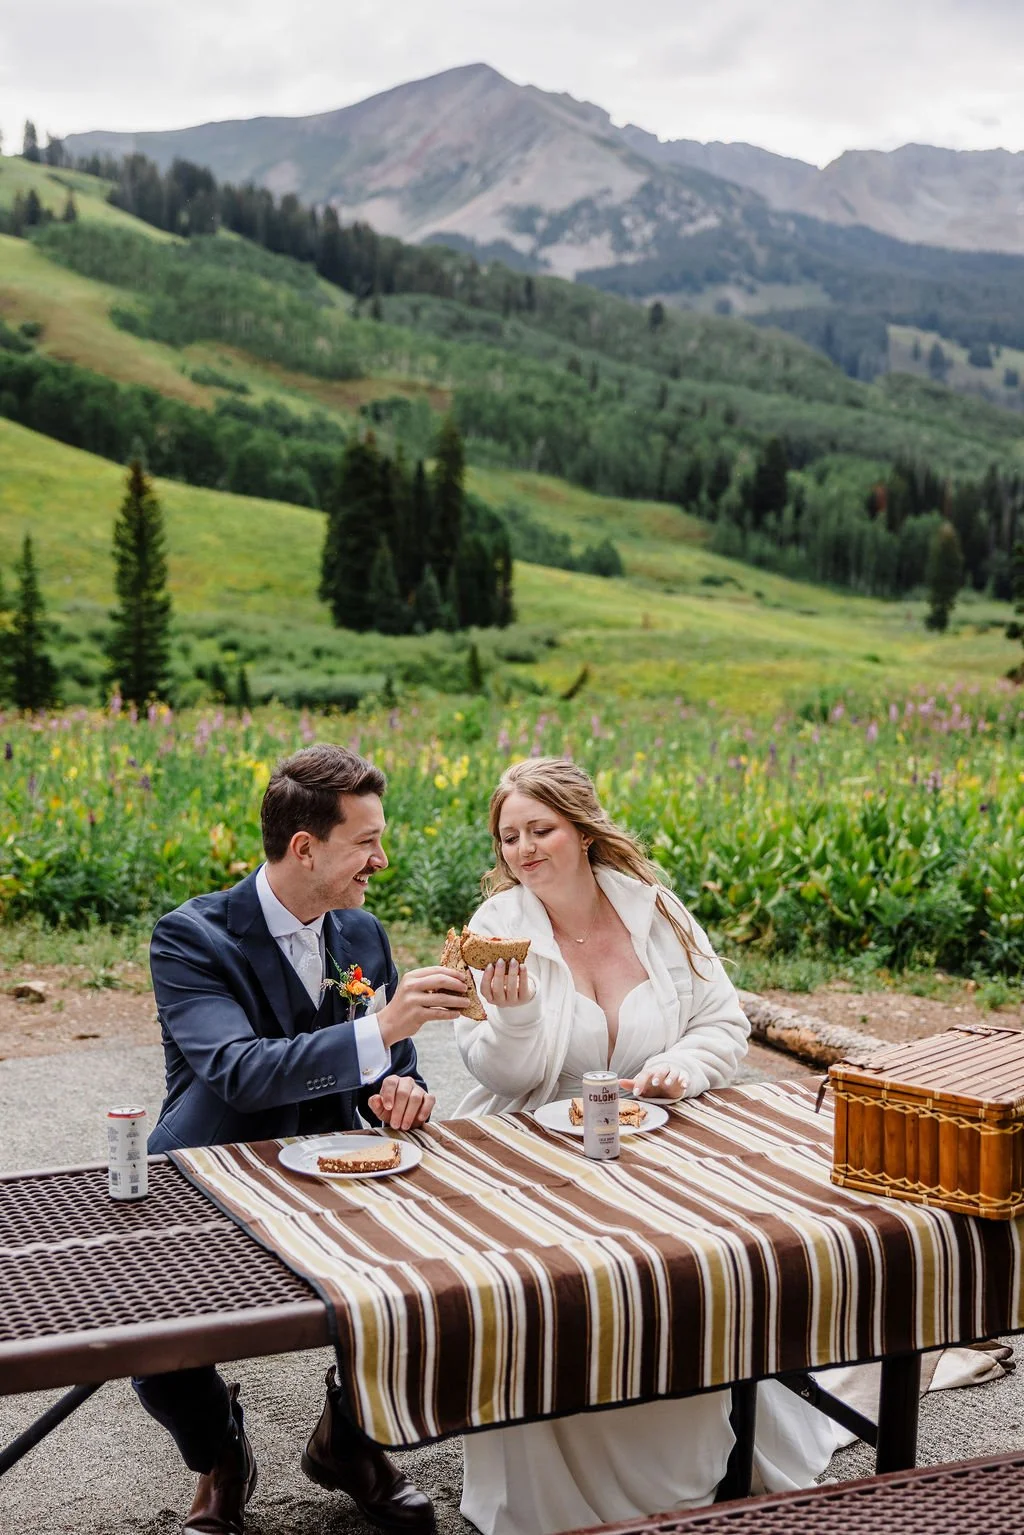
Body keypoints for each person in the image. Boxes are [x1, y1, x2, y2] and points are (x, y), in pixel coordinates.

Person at [453, 757, 843, 1535]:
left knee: (716, 1257)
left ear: (583, 830)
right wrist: (518, 1017)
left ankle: (711, 1451)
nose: (525, 849)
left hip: (661, 1137)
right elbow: (498, 1068)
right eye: (510, 837)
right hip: (538, 1144)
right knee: (566, 1284)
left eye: (541, 829)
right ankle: (565, 1487)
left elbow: (723, 1023)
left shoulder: (656, 910)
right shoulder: (496, 932)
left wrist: (682, 1065)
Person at [137, 743, 469, 1535]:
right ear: (305, 846)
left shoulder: (361, 934)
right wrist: (385, 1025)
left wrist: (403, 1087)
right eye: (367, 841)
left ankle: (347, 1442)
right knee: (151, 1341)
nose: (381, 860)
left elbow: (388, 1066)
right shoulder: (191, 938)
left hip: (339, 1171)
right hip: (207, 1171)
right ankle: (222, 1452)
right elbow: (242, 1073)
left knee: (440, 1289)